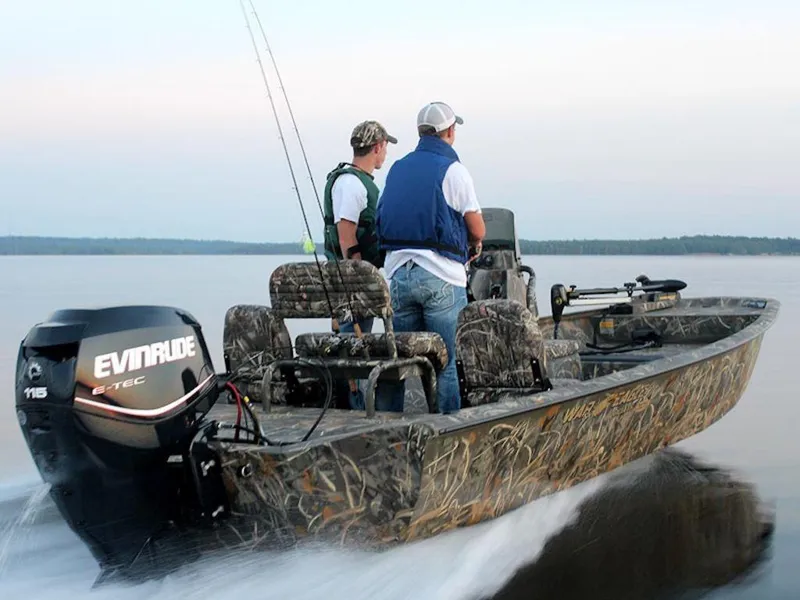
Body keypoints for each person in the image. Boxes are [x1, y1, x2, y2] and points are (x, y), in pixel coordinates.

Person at [375, 101, 486, 414]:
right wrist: (474, 242)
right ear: (449, 131)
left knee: (399, 364)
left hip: (398, 276)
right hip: (441, 278)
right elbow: (477, 227)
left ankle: (388, 429)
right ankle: (448, 430)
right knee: (445, 363)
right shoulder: (454, 170)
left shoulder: (398, 168)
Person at [322, 119, 397, 410]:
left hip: (354, 281)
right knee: (354, 345)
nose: (385, 154)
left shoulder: (353, 180)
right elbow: (345, 234)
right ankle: (353, 407)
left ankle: (353, 402)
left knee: (355, 342)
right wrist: (358, 275)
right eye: (385, 147)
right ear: (377, 147)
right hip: (353, 284)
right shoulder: (352, 183)